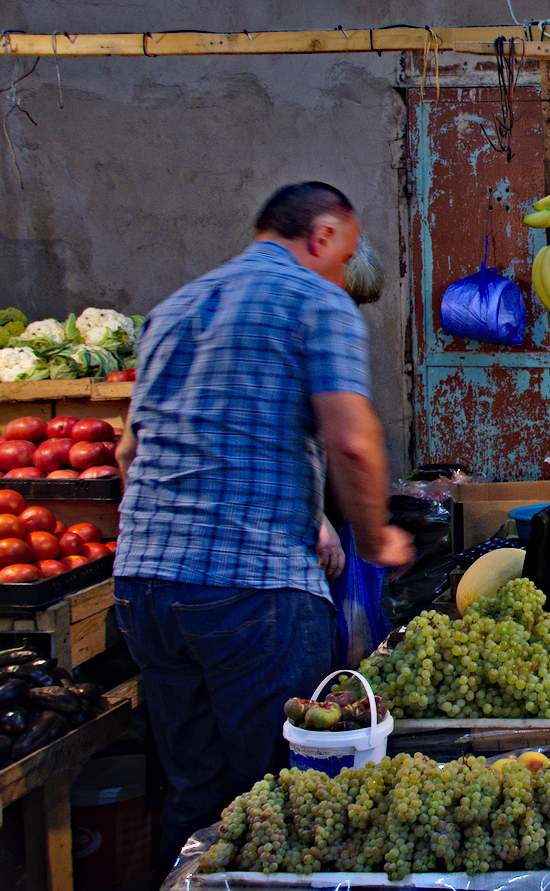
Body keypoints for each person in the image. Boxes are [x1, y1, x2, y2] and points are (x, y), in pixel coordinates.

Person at [113, 182, 414, 869]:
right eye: (345, 256)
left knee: (194, 794)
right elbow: (352, 439)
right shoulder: (316, 300)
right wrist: (375, 537)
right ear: (324, 237)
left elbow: (131, 452)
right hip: (251, 593)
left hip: (144, 587)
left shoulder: (174, 308)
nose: (345, 274)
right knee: (282, 797)